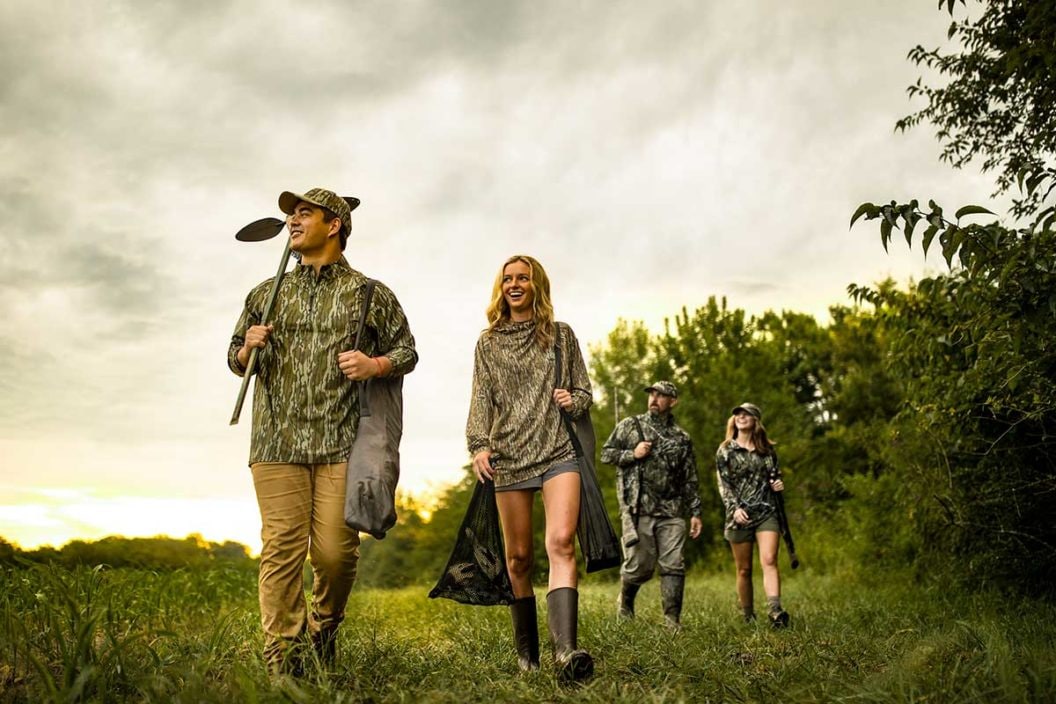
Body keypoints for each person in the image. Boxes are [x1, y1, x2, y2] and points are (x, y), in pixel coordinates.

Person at [228, 188, 417, 674]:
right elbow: (235, 360)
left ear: (334, 225)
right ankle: (282, 662)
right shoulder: (264, 294)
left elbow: (407, 353)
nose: (292, 220)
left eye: (304, 213)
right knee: (281, 551)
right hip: (275, 441)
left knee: (334, 555)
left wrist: (374, 364)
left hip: (342, 442)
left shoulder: (369, 293)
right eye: (290, 215)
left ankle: (324, 626)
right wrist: (249, 346)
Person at [465, 254, 595, 682]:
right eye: (508, 279)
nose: (515, 284)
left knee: (561, 542)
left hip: (559, 450)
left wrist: (571, 402)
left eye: (523, 278)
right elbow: (481, 400)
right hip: (509, 456)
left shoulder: (561, 336)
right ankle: (528, 657)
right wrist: (479, 446)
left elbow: (584, 391)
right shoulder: (488, 343)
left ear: (537, 285)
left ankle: (566, 653)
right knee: (518, 558)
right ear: (500, 287)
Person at [600, 381, 703, 629]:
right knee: (640, 567)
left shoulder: (681, 438)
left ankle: (671, 620)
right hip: (639, 509)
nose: (654, 398)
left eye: (661, 395)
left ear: (673, 401)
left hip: (672, 511)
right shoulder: (630, 426)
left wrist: (695, 512)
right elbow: (606, 454)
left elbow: (690, 477)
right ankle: (625, 603)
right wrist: (632, 454)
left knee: (673, 564)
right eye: (652, 394)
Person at [715, 402, 790, 628]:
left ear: (756, 420)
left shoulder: (767, 451)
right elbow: (723, 485)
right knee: (744, 569)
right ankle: (748, 616)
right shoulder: (725, 450)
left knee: (769, 560)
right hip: (738, 515)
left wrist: (777, 485)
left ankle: (775, 612)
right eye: (737, 413)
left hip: (766, 511)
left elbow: (773, 478)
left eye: (746, 414)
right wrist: (734, 509)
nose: (741, 416)